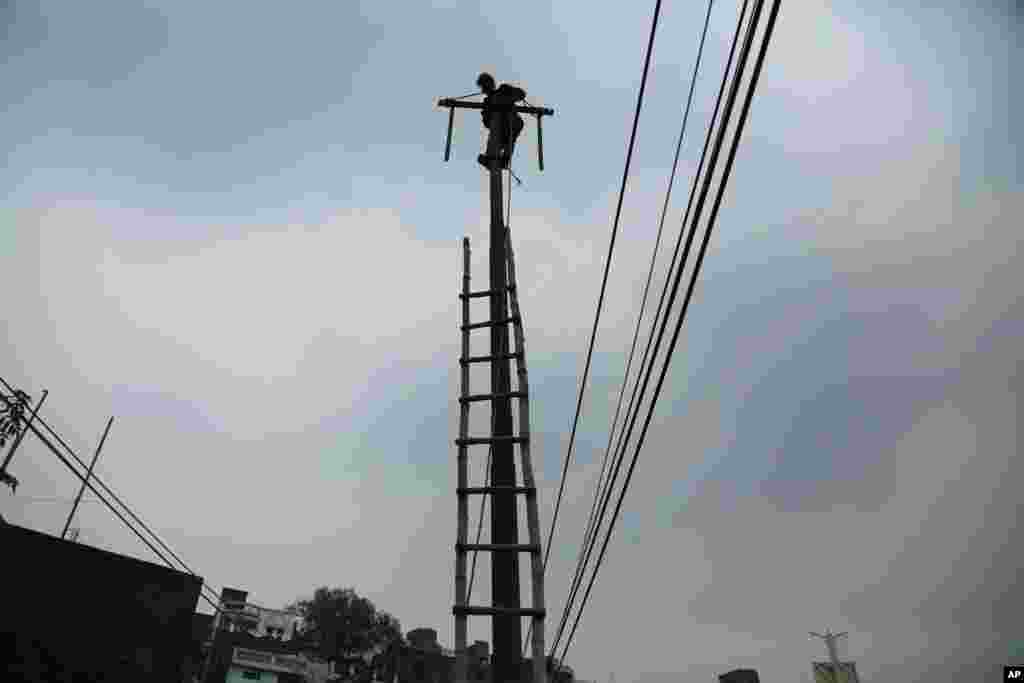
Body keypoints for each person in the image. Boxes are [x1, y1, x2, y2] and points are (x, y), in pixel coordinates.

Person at [475, 72, 526, 170]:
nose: (484, 89)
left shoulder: (504, 89)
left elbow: (521, 94)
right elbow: (486, 122)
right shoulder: (487, 101)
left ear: (490, 84)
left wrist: (505, 98)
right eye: (483, 87)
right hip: (499, 128)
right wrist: (490, 113)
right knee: (494, 136)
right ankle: (493, 159)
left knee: (508, 138)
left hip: (512, 122)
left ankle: (503, 160)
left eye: (485, 85)